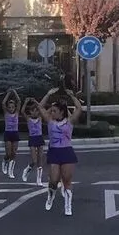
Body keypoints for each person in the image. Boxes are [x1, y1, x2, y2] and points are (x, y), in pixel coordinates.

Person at [37, 87, 82, 216]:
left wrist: (72, 96)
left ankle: (68, 205)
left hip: (67, 151)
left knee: (67, 180)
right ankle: (50, 195)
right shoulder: (50, 121)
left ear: (61, 112)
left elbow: (79, 109)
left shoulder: (69, 122)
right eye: (51, 110)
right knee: (54, 180)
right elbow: (40, 107)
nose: (51, 112)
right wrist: (48, 94)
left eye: (54, 111)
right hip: (54, 152)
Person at [21, 98, 45, 186]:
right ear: (30, 112)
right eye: (33, 111)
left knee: (40, 160)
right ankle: (27, 169)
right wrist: (26, 102)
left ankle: (39, 180)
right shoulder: (28, 119)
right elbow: (22, 111)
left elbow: (41, 108)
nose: (35, 112)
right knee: (34, 161)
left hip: (39, 138)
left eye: (36, 111)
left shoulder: (40, 118)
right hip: (32, 138)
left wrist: (35, 101)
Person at [1, 89, 22, 180]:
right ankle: (5, 161)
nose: (11, 109)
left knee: (14, 153)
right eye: (9, 107)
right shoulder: (6, 113)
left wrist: (14, 92)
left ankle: (11, 171)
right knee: (8, 154)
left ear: (14, 107)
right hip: (8, 133)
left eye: (12, 107)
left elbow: (19, 101)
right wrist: (8, 93)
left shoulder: (17, 113)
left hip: (15, 134)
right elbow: (3, 103)